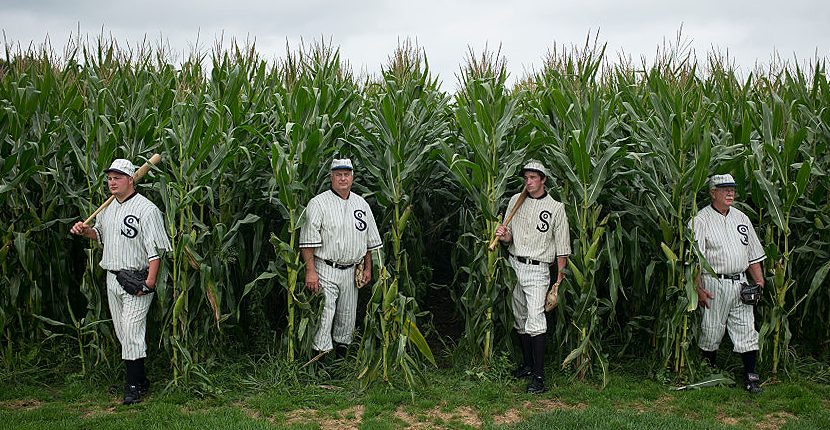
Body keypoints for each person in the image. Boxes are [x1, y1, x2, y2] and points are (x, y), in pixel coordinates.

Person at [70, 158, 171, 404]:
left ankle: (134, 385)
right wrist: (87, 232)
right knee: (122, 333)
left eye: (117, 177)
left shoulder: (147, 209)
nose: (111, 182)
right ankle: (141, 379)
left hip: (137, 278)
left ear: (131, 179)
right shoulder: (107, 208)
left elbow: (156, 250)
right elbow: (102, 235)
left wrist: (149, 283)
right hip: (113, 278)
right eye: (109, 178)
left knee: (132, 331)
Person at [495, 160, 571, 394]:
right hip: (514, 264)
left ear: (543, 180)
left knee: (536, 321)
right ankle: (527, 365)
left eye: (533, 178)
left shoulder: (556, 208)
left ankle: (539, 378)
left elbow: (562, 249)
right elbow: (509, 238)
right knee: (520, 317)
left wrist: (557, 283)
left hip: (538, 270)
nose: (528, 182)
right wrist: (503, 234)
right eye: (526, 178)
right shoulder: (515, 202)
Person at [690, 173, 766, 394]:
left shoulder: (741, 217)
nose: (730, 192)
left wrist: (759, 281)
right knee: (711, 331)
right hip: (714, 283)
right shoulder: (700, 220)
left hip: (741, 283)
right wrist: (698, 288)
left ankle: (751, 377)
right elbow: (695, 259)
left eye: (732, 188)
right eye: (724, 189)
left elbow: (752, 254)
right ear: (713, 193)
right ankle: (708, 371)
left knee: (746, 331)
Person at [299, 158, 382, 359]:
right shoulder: (318, 203)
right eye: (338, 175)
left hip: (352, 270)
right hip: (325, 268)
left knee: (347, 317)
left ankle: (340, 361)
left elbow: (370, 242)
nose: (343, 178)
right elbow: (307, 242)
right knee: (325, 315)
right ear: (331, 177)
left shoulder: (360, 204)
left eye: (346, 174)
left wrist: (368, 268)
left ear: (352, 177)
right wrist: (310, 272)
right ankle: (318, 363)